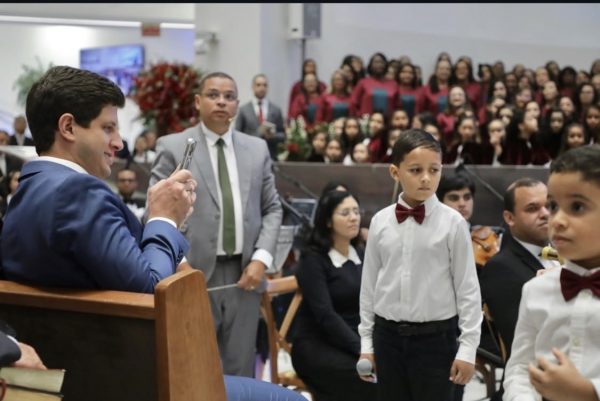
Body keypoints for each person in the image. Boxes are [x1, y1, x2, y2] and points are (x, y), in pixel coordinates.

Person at [1, 66, 196, 293]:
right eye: (108, 128)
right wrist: (165, 218)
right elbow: (149, 290)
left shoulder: (29, 185)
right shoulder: (78, 191)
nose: (119, 143)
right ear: (68, 127)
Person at [149, 71, 283, 377]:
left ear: (237, 104)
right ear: (198, 102)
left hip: (245, 274)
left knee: (241, 368)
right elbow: (155, 212)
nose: (221, 101)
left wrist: (262, 259)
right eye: (213, 95)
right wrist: (178, 262)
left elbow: (273, 207)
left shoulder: (257, 149)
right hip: (191, 272)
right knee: (195, 368)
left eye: (229, 96)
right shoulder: (173, 146)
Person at [358, 129, 482, 401]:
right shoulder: (380, 221)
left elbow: (468, 290)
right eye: (416, 170)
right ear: (395, 172)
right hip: (387, 338)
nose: (426, 178)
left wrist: (468, 348)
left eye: (434, 170)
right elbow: (369, 288)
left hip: (437, 341)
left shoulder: (453, 223)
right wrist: (367, 344)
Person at [503, 145, 600, 401]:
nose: (555, 220)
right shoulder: (536, 289)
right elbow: (520, 367)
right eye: (554, 205)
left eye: (577, 207)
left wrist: (588, 392)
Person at [291, 190, 377, 401]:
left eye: (356, 211)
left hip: (356, 339)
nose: (354, 217)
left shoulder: (361, 253)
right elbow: (326, 316)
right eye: (345, 213)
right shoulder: (313, 260)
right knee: (371, 378)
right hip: (318, 345)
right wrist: (362, 349)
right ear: (328, 221)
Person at [235, 74, 286, 160]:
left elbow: (283, 135)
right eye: (258, 85)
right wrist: (257, 134)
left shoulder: (276, 110)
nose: (262, 88)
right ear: (252, 87)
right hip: (249, 155)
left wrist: (273, 136)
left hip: (270, 156)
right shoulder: (243, 110)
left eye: (265, 85)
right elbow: (237, 135)